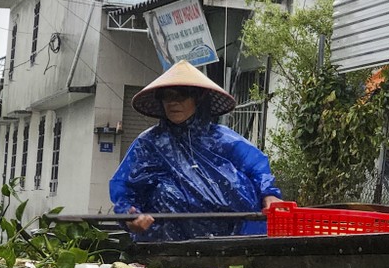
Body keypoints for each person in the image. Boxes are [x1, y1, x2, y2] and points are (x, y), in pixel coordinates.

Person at [110, 60, 283, 242]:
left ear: (198, 98)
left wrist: (269, 194)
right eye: (167, 96)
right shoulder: (149, 144)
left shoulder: (222, 139)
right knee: (166, 190)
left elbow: (256, 167)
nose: (174, 102)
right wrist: (131, 218)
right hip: (168, 245)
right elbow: (126, 190)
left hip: (235, 238)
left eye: (182, 95)